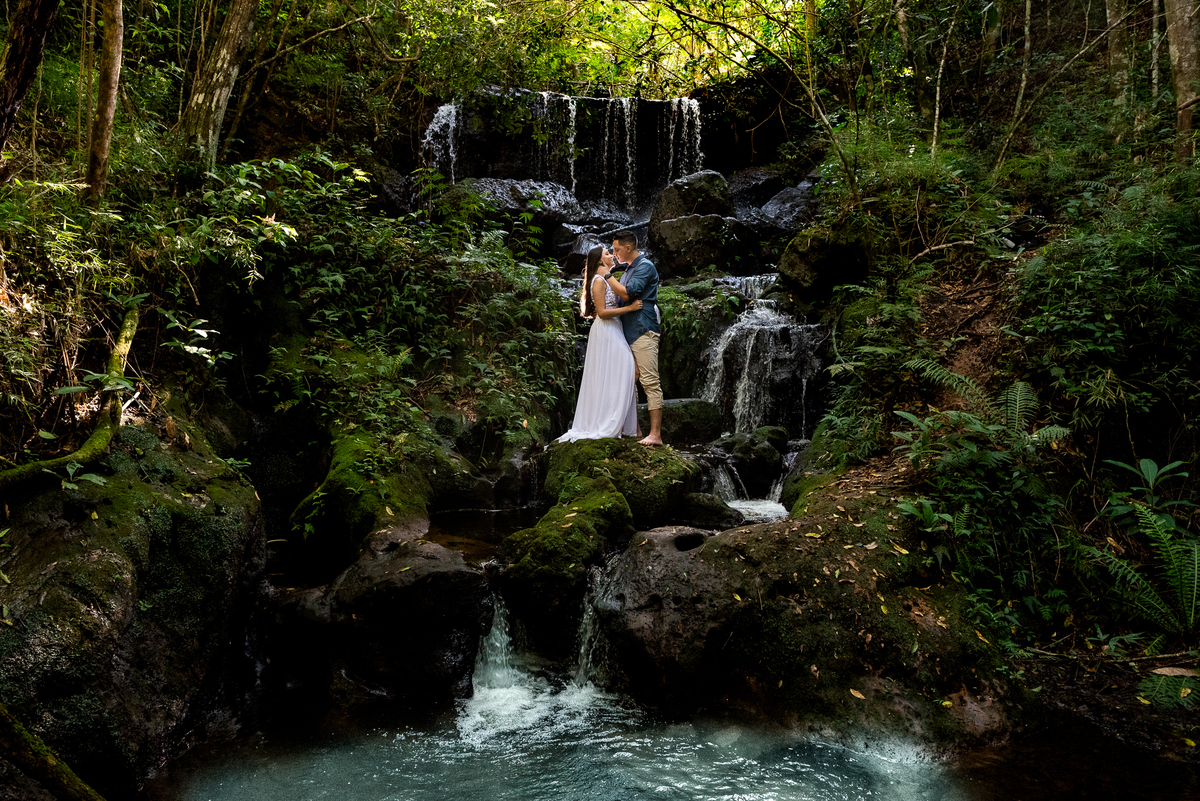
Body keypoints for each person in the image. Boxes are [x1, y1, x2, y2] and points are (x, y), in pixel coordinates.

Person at [555, 245, 644, 443]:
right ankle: (610, 421)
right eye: (607, 253)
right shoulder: (598, 280)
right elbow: (602, 313)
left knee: (621, 372)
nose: (611, 255)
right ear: (600, 261)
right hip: (606, 330)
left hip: (615, 329)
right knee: (627, 368)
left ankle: (622, 423)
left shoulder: (605, 279)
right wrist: (629, 308)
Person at [606, 230, 663, 446]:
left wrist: (607, 275)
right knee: (630, 379)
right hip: (628, 332)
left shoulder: (645, 266)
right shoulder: (629, 270)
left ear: (628, 248)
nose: (614, 253)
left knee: (650, 381)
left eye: (617, 249)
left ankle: (656, 435)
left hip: (643, 329)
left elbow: (629, 294)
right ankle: (636, 429)